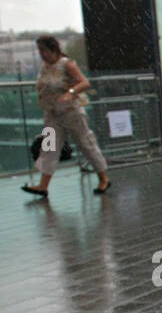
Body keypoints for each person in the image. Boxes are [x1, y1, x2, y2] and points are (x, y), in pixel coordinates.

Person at [21, 35, 110, 198]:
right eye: (39, 50)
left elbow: (84, 82)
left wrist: (70, 92)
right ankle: (43, 185)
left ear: (53, 49)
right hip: (52, 114)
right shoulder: (44, 67)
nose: (41, 54)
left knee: (86, 144)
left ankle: (103, 178)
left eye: (43, 50)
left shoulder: (66, 64)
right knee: (48, 148)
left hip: (71, 112)